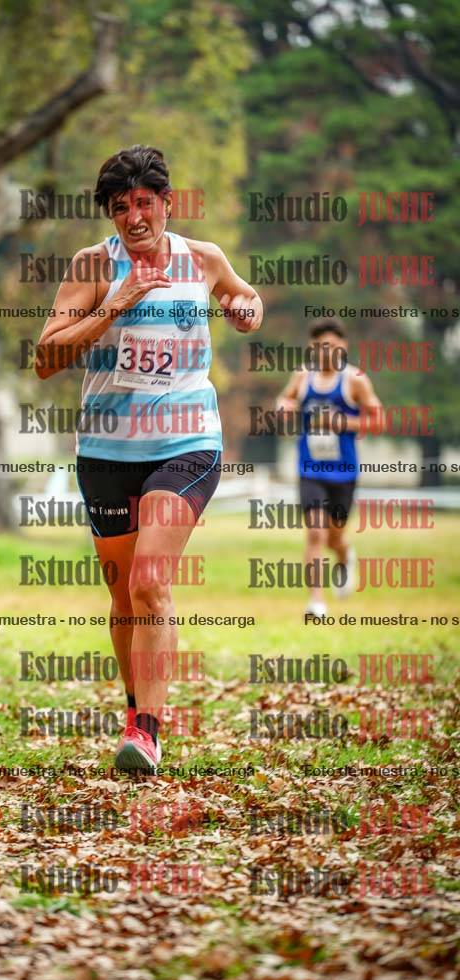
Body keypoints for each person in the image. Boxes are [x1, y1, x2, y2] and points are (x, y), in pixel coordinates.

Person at [35, 144, 263, 772]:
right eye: (119, 208)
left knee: (149, 583)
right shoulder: (91, 266)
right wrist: (115, 304)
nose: (133, 217)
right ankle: (135, 711)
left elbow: (245, 297)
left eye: (143, 203)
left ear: (166, 202)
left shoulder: (202, 258)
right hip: (107, 450)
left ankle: (147, 734)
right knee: (122, 597)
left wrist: (245, 310)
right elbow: (46, 358)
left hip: (186, 443)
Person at [276, 317, 382, 618]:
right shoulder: (302, 377)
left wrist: (342, 422)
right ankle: (316, 602)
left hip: (344, 472)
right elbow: (284, 399)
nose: (326, 352)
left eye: (332, 346)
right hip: (310, 469)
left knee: (334, 536)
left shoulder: (355, 380)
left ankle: (345, 555)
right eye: (321, 346)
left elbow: (378, 420)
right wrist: (283, 406)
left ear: (343, 347)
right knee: (315, 533)